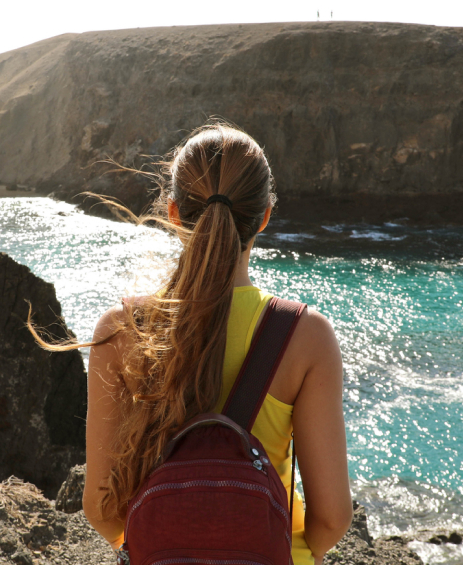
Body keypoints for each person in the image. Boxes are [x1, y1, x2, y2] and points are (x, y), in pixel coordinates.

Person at [36, 124, 352, 564]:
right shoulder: (305, 336)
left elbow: (102, 507)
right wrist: (292, 552)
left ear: (172, 212)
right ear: (263, 217)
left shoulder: (124, 329)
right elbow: (333, 520)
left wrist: (163, 545)